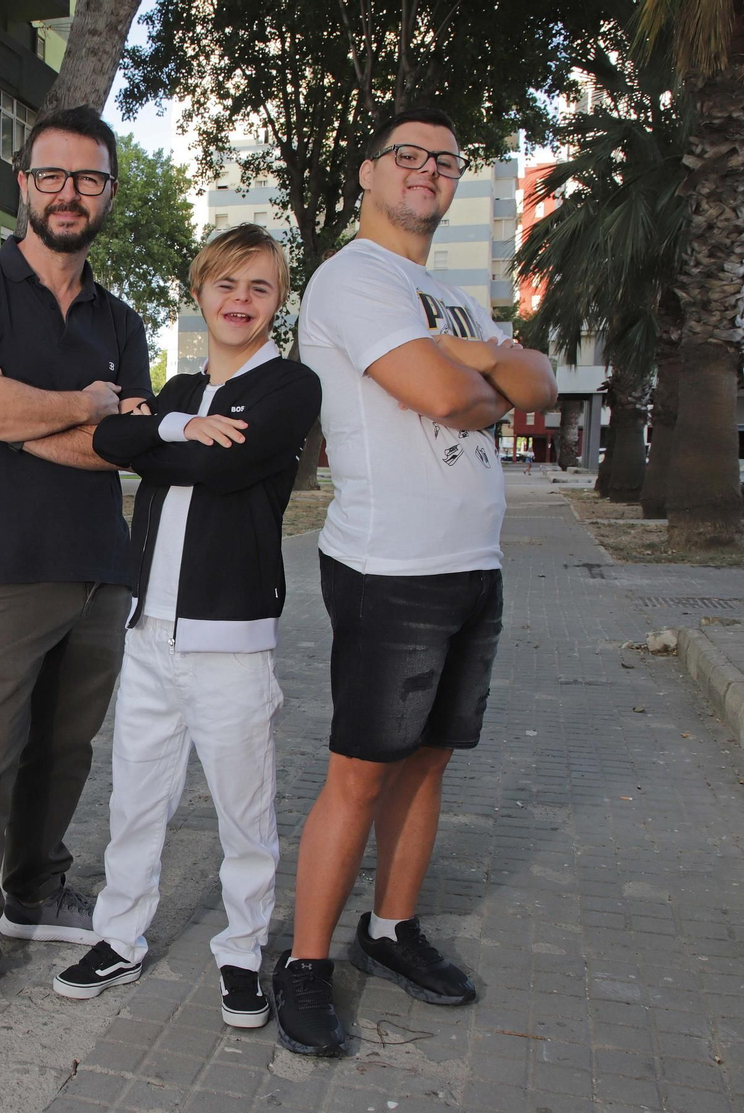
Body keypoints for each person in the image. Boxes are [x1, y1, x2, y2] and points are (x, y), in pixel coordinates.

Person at [277, 107, 557, 1056]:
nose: (427, 170)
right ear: (368, 173)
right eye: (408, 155)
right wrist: (486, 372)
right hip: (389, 566)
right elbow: (452, 397)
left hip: (473, 562)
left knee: (431, 759)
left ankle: (390, 930)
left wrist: (468, 359)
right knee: (358, 773)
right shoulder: (351, 278)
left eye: (444, 159)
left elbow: (541, 385)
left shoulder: (452, 296)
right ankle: (306, 964)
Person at [0, 105, 151, 1042]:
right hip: (6, 567)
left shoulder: (120, 316)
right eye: (52, 176)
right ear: (23, 184)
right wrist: (78, 405)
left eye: (88, 179)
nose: (68, 194)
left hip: (102, 566)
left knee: (64, 749)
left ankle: (35, 889)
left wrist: (24, 415)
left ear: (108, 194)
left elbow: (123, 445)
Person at [57, 225, 320, 1028]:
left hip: (231, 643)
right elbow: (110, 438)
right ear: (201, 292)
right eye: (226, 285)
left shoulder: (291, 387)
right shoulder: (177, 391)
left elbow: (222, 465)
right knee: (136, 800)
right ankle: (122, 935)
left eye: (260, 288)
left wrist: (153, 442)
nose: (240, 301)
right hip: (149, 636)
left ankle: (243, 949)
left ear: (279, 301)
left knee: (246, 811)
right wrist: (170, 428)